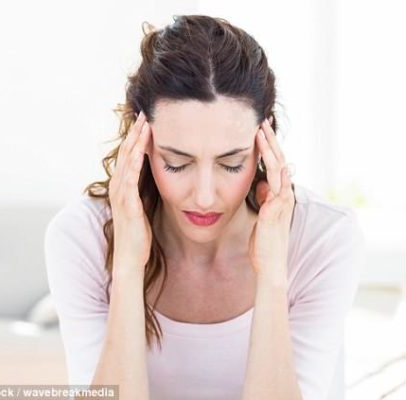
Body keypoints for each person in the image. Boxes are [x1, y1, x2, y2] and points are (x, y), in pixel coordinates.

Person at [44, 14, 365, 400]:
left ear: (264, 143)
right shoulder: (83, 238)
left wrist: (272, 276)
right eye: (176, 163)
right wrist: (127, 268)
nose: (205, 197)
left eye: (231, 164)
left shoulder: (323, 239)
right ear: (141, 141)